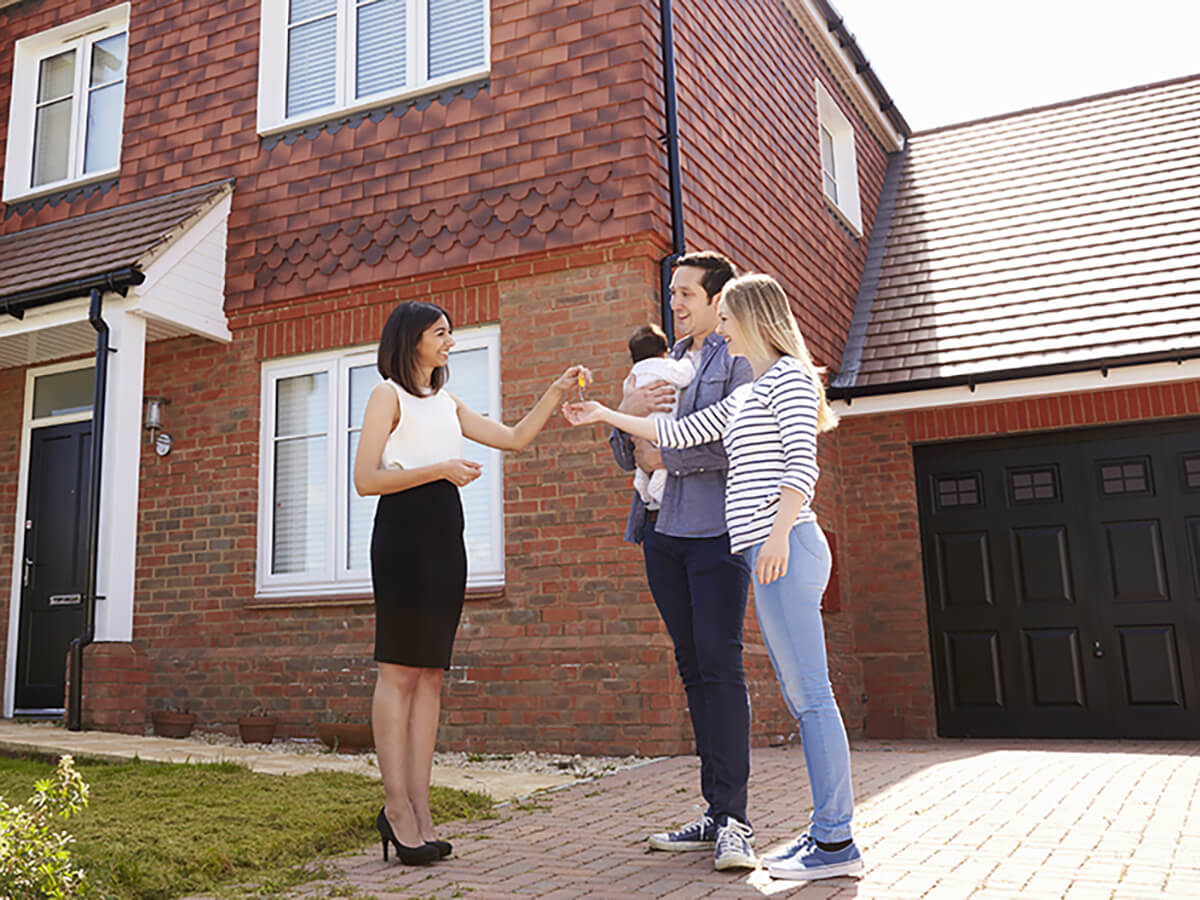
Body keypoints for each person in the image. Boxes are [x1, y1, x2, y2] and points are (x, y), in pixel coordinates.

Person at [566, 273, 863, 882]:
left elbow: (801, 468)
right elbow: (679, 432)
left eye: (727, 318)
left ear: (753, 319)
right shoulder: (754, 391)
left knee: (813, 699)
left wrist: (778, 535)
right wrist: (603, 412)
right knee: (802, 697)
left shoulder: (791, 381)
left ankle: (835, 841)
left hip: (787, 548)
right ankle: (826, 834)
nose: (719, 329)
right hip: (765, 552)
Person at [353, 301, 589, 866]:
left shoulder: (448, 402)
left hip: (445, 541)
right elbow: (366, 480)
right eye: (441, 334)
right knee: (399, 671)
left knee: (430, 676)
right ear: (413, 340)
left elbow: (513, 439)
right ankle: (397, 809)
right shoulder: (388, 394)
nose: (450, 343)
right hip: (404, 537)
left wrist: (555, 394)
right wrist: (439, 470)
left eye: (451, 334)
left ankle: (420, 808)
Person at [608, 251, 757, 871]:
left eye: (686, 293)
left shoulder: (741, 358)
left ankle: (737, 823)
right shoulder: (664, 362)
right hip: (661, 534)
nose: (674, 302)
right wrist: (634, 421)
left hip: (716, 532)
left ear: (719, 298)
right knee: (693, 667)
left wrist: (667, 459)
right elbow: (625, 453)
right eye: (672, 293)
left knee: (720, 666)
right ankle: (714, 812)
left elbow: (741, 441)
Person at [624, 323, 696, 508]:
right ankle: (658, 490)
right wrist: (688, 361)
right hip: (663, 426)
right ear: (664, 351)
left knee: (642, 459)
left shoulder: (632, 375)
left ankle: (642, 485)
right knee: (660, 461)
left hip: (639, 429)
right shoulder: (665, 366)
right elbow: (685, 376)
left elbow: (627, 398)